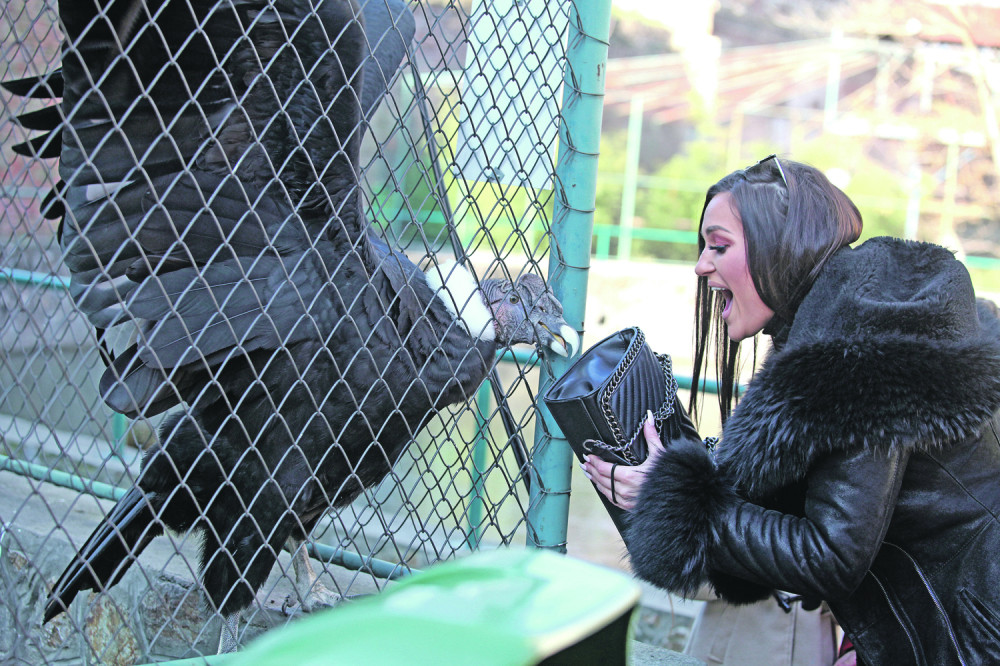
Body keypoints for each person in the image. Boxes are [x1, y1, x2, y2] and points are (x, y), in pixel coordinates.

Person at [581, 155, 1000, 665]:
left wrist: (674, 498)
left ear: (780, 247)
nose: (701, 265)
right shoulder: (852, 326)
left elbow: (831, 554)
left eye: (719, 245)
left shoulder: (856, 356)